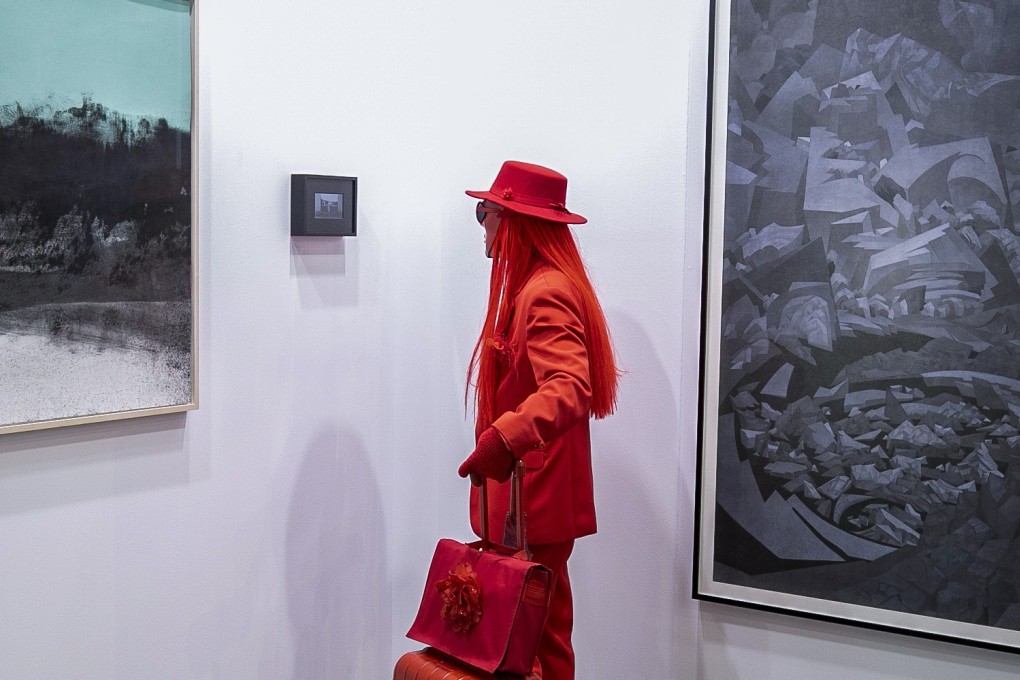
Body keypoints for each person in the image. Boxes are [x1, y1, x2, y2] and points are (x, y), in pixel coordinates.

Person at [457, 160, 619, 680]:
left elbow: (570, 386)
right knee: (538, 640)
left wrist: (504, 438)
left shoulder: (543, 290)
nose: (482, 223)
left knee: (536, 648)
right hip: (530, 503)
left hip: (533, 503)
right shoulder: (535, 285)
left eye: (487, 212)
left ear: (514, 220)